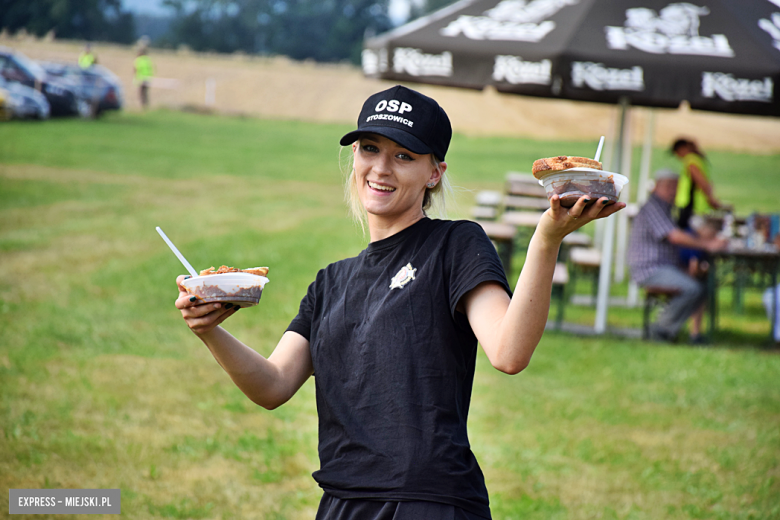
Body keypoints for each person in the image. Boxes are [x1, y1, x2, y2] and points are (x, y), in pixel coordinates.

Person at [173, 85, 624, 519]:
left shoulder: (455, 245)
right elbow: (272, 386)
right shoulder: (331, 283)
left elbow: (509, 352)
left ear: (434, 173)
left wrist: (546, 240)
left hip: (428, 500)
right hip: (342, 501)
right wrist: (209, 330)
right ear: (354, 156)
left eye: (403, 156)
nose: (381, 168)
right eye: (370, 148)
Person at [628, 168, 726, 343]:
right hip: (650, 268)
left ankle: (694, 334)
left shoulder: (669, 209)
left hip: (667, 265)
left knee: (703, 282)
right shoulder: (653, 207)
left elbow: (688, 231)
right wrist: (707, 245)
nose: (672, 191)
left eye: (675, 187)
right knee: (692, 288)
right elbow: (674, 236)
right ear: (657, 186)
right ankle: (660, 329)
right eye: (668, 187)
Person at [670, 137, 725, 230]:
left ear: (681, 149)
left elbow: (700, 180)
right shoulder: (698, 159)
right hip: (697, 207)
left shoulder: (691, 160)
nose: (677, 156)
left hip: (690, 207)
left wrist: (710, 198)